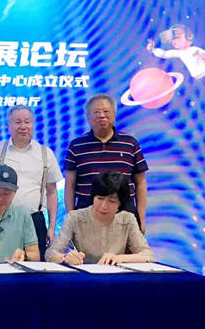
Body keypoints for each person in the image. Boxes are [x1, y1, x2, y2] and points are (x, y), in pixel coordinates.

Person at [0, 106, 63, 260]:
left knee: (35, 268)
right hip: (1, 219)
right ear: (8, 126)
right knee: (1, 264)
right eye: (17, 122)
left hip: (34, 220)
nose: (23, 126)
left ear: (33, 125)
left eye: (27, 122)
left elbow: (52, 193)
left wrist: (51, 227)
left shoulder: (45, 153)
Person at [64, 93, 149, 232]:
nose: (101, 116)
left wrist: (141, 218)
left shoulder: (130, 143)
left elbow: (140, 183)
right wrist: (71, 218)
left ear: (114, 114)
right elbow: (70, 186)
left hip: (125, 215)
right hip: (86, 216)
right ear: (88, 117)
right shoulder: (76, 146)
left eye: (106, 111)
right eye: (96, 112)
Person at [47, 170, 154, 265]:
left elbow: (148, 255)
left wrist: (119, 258)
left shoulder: (127, 219)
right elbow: (51, 253)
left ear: (120, 203)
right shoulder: (75, 218)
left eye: (111, 201)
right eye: (100, 199)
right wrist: (65, 258)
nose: (104, 206)